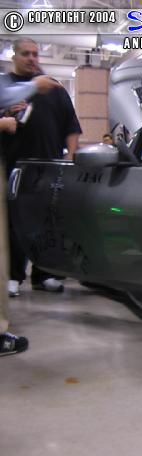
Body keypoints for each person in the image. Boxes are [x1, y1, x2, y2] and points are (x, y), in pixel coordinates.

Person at [2, 38, 82, 297]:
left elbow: (71, 126)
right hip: (14, 167)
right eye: (25, 54)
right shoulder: (6, 87)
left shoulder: (54, 88)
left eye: (35, 54)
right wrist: (6, 114)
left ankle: (45, 274)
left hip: (49, 167)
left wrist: (70, 157)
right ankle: (13, 276)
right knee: (14, 224)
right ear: (14, 57)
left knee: (48, 223)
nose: (31, 58)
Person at [0, 71, 61, 355]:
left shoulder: (57, 98)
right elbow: (3, 94)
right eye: (25, 52)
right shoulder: (20, 84)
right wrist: (35, 86)